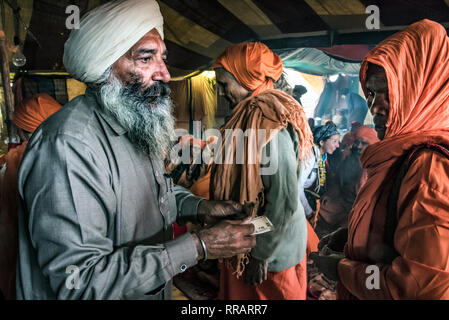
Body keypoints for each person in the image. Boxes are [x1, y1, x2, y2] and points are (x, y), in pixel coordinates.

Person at [16, 0, 256, 300]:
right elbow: (79, 281)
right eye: (146, 59)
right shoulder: (68, 147)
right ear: (105, 67)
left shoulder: (135, 122)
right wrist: (199, 246)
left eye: (162, 58)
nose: (165, 74)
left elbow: (147, 194)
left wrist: (199, 207)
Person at [311, 19, 449, 299]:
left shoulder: (428, 166)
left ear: (422, 90)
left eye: (389, 91)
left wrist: (344, 269)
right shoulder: (400, 154)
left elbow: (418, 287)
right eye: (371, 93)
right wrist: (352, 238)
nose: (375, 107)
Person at [211, 42, 314, 300]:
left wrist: (260, 254)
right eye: (218, 85)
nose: (221, 92)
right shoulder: (246, 118)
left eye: (225, 84)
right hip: (253, 237)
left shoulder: (268, 125)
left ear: (247, 80)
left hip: (271, 250)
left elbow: (283, 202)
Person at [0, 93, 62, 300]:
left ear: (25, 129)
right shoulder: (74, 151)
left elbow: (8, 218)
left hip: (27, 256)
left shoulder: (20, 158)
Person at [301, 122, 340, 227]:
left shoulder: (322, 157)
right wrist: (308, 211)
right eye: (334, 141)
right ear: (322, 141)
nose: (338, 145)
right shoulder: (310, 157)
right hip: (300, 205)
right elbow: (296, 188)